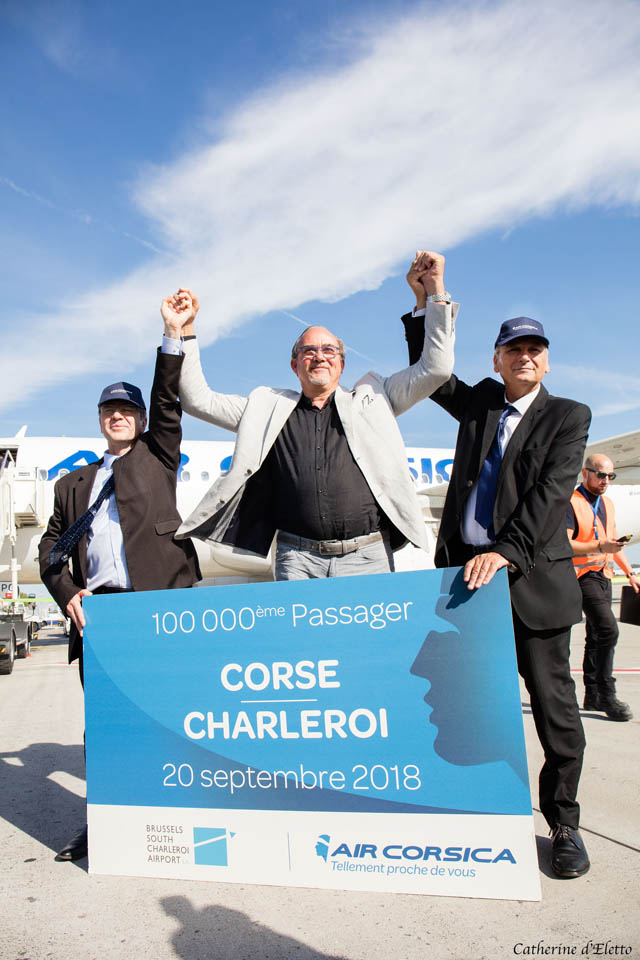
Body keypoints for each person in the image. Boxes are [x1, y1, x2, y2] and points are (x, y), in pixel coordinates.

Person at [402, 279, 592, 879]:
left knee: (554, 711)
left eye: (535, 349)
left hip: (531, 583)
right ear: (498, 359)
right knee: (462, 706)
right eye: (514, 349)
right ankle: (472, 809)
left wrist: (507, 550)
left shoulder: (568, 416)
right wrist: (426, 303)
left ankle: (563, 823)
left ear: (546, 360)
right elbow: (431, 373)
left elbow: (550, 494)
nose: (525, 357)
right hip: (465, 585)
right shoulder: (481, 402)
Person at [170, 252, 456, 579]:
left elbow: (436, 368)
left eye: (328, 350)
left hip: (367, 556)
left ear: (342, 364)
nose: (319, 357)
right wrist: (187, 330)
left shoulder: (376, 398)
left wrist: (434, 291)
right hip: (298, 558)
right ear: (295, 365)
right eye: (309, 351)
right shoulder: (266, 407)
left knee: (371, 633)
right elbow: (196, 400)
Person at [39, 291, 201, 862]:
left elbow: (166, 396)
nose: (119, 416)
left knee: (170, 714)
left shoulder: (158, 454)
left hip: (158, 607)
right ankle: (105, 822)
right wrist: (68, 593)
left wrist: (171, 335)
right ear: (100, 419)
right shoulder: (72, 486)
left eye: (127, 410)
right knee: (106, 728)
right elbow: (49, 552)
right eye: (110, 410)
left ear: (138, 419)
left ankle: (179, 815)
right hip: (101, 613)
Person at [567, 453, 639, 720]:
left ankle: (593, 696)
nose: (605, 480)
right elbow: (566, 543)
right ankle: (607, 693)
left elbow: (612, 542)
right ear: (585, 473)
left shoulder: (607, 503)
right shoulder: (570, 502)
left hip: (604, 574)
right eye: (600, 475)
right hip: (582, 573)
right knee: (608, 629)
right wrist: (600, 546)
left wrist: (630, 572)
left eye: (610, 476)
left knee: (597, 635)